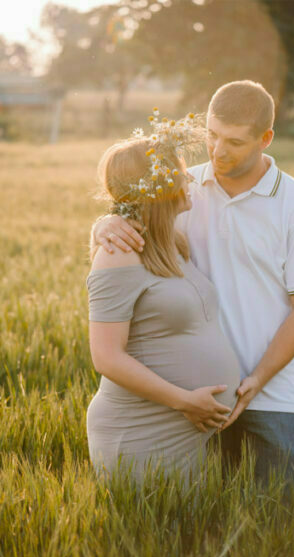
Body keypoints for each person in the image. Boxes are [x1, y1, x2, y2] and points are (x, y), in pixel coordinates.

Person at [92, 81, 294, 486]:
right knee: (204, 530)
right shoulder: (179, 189)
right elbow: (133, 236)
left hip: (271, 395)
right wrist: (106, 223)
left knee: (279, 522)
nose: (218, 151)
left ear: (265, 139)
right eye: (212, 136)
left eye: (235, 142)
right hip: (193, 407)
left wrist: (256, 380)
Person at [86, 121, 239, 483]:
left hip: (188, 424)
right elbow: (106, 357)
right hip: (145, 428)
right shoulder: (118, 254)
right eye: (181, 175)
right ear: (160, 186)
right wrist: (184, 401)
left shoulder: (173, 242)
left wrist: (102, 222)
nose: (189, 181)